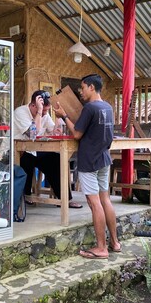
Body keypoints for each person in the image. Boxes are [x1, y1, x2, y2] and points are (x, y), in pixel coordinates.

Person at [53, 74, 121, 258]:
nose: (81, 92)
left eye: (82, 88)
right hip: (104, 158)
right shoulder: (107, 107)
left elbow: (76, 134)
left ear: (91, 87)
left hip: (90, 160)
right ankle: (115, 242)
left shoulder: (90, 108)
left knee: (94, 203)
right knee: (105, 200)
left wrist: (63, 116)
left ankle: (101, 248)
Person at [13, 90, 82, 208]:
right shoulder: (21, 112)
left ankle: (64, 199)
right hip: (17, 151)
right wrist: (39, 112)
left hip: (34, 150)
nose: (45, 113)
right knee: (26, 160)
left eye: (46, 110)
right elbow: (32, 134)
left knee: (55, 159)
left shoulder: (45, 114)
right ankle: (25, 196)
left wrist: (58, 120)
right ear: (33, 105)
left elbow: (53, 131)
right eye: (43, 110)